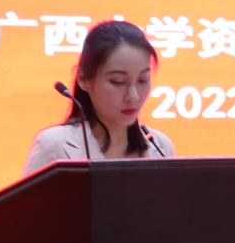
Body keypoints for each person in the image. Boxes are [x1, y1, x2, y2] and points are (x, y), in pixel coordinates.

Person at [22, 20, 175, 175]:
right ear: (83, 79)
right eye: (118, 82)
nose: (133, 96)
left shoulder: (161, 146)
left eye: (143, 80)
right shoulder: (54, 145)